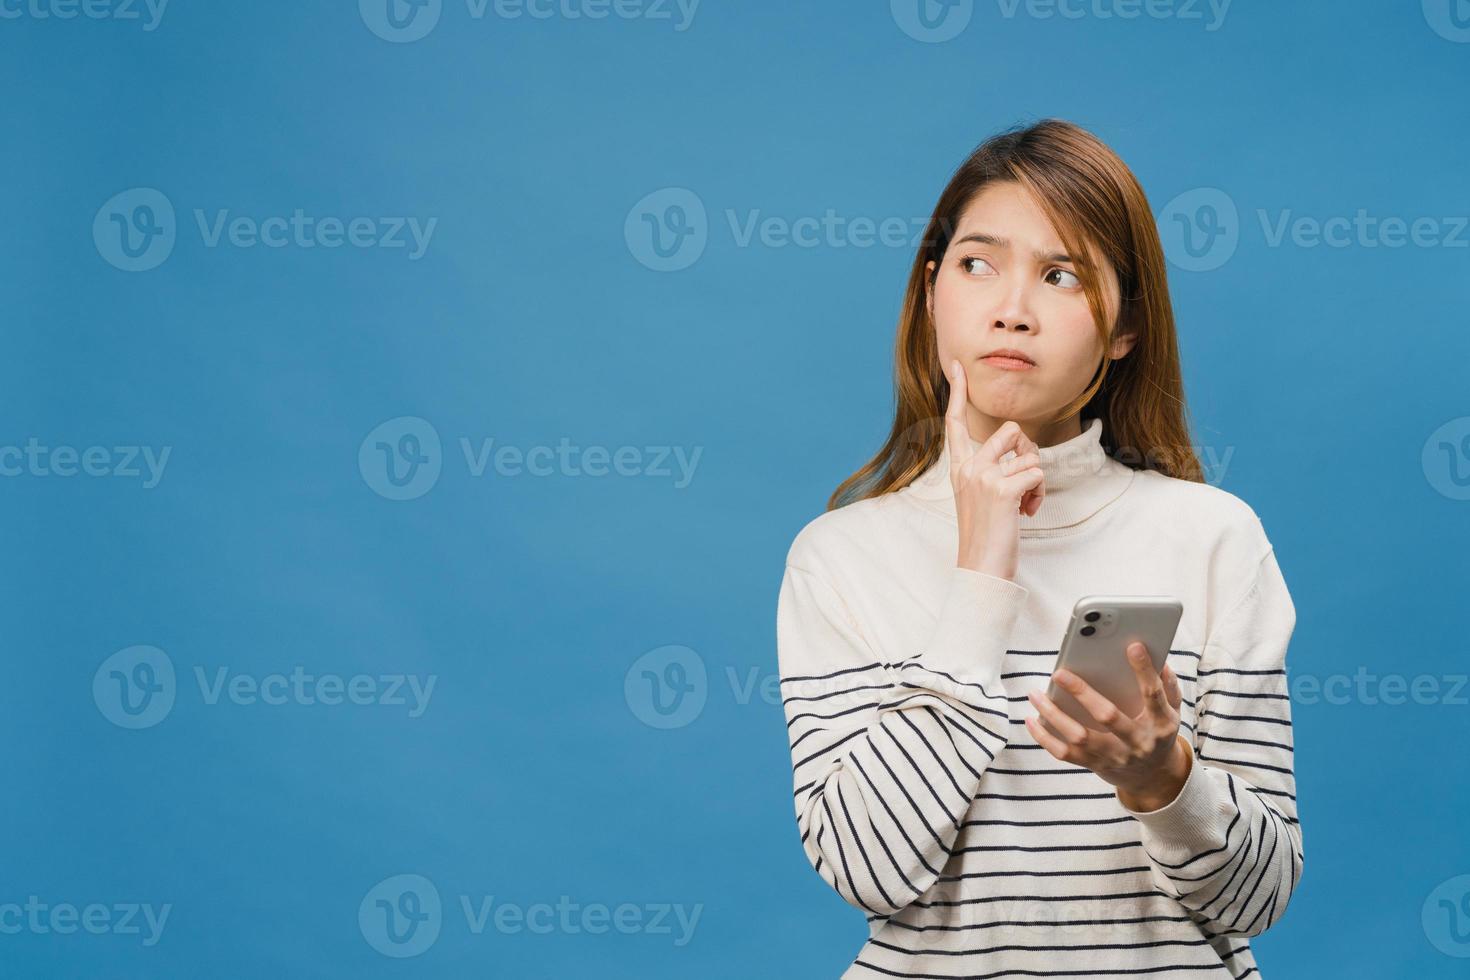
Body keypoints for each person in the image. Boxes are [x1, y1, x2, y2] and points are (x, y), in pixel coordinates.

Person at [776, 118, 1301, 978]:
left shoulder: (1214, 538)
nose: (1011, 310)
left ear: (1125, 328)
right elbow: (870, 870)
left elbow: (1259, 897)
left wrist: (1163, 779)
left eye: (1062, 276)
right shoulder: (838, 559)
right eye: (979, 264)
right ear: (933, 288)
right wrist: (983, 574)